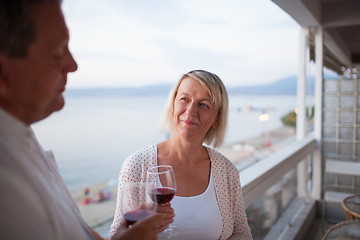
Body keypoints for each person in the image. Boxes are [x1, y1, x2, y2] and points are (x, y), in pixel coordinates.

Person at [0, 0, 173, 239]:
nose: (73, 65)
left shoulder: (22, 140)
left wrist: (123, 233)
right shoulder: (7, 185)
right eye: (58, 51)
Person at [110, 70, 253, 239]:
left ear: (216, 119)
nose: (191, 111)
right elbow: (117, 235)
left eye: (204, 104)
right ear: (173, 105)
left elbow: (241, 233)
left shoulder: (227, 171)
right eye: (185, 99)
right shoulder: (137, 165)